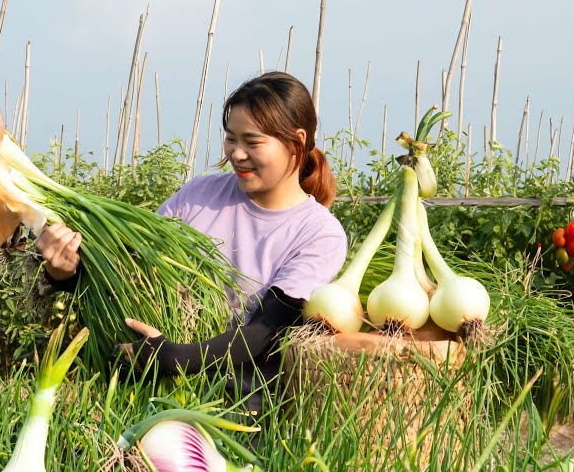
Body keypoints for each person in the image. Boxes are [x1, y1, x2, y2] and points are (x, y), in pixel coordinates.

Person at [38, 71, 348, 416]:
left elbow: (263, 331)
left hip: (236, 406)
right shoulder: (200, 195)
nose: (238, 154)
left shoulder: (318, 233)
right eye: (231, 139)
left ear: (297, 142)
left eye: (253, 142)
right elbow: (131, 275)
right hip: (145, 388)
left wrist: (173, 357)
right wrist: (65, 274)